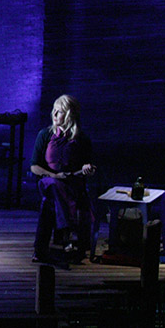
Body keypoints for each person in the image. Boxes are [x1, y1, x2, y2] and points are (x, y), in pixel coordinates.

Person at [31, 94, 96, 264]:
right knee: (53, 185)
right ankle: (67, 230)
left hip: (71, 183)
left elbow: (89, 165)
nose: (54, 115)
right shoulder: (45, 135)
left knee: (49, 204)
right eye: (54, 111)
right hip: (48, 180)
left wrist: (86, 168)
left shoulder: (81, 140)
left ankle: (40, 250)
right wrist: (53, 175)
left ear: (68, 115)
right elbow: (34, 166)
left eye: (59, 112)